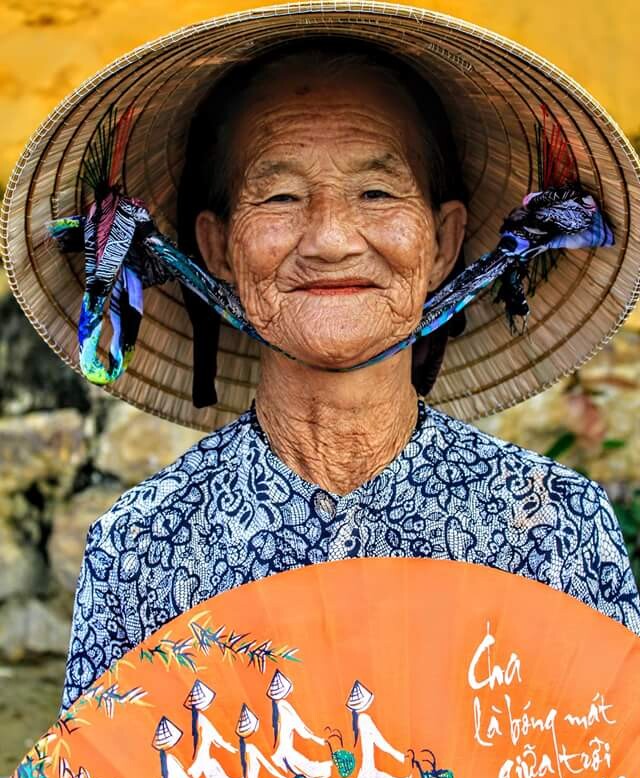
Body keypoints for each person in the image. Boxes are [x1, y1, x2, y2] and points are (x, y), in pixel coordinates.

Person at [2, 4, 639, 718]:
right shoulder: (140, 545)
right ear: (218, 249)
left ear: (444, 240)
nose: (331, 238)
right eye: (279, 195)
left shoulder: (551, 528)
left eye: (375, 191)